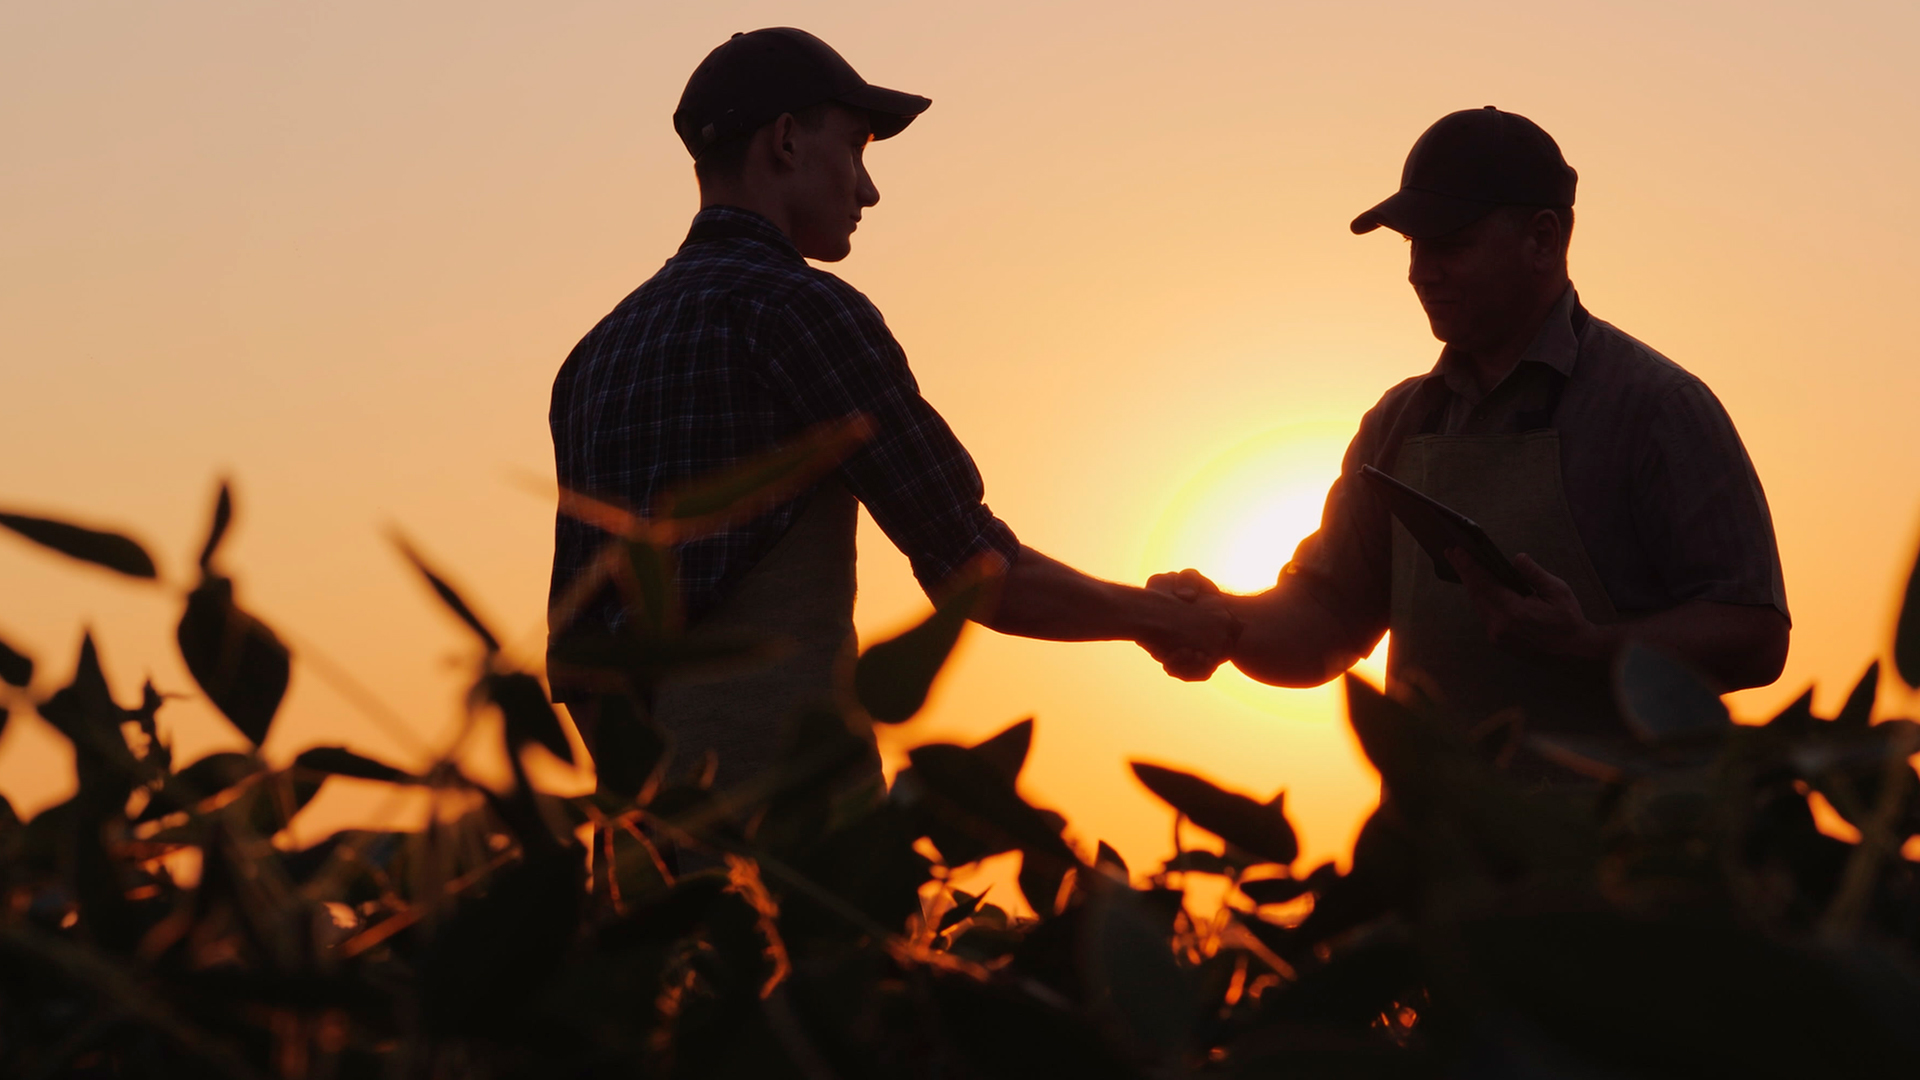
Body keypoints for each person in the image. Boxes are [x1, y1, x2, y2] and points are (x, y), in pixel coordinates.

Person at [548, 28, 1236, 792]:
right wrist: (1164, 619)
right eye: (856, 147)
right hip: (794, 840)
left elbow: (576, 655)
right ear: (784, 141)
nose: (868, 188)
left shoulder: (591, 358)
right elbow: (974, 567)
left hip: (643, 863)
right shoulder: (802, 313)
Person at [1150, 107, 1788, 766]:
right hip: (1438, 854)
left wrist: (1591, 645)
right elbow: (1325, 624)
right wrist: (1220, 622)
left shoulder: (1658, 409)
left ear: (1542, 239)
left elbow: (1757, 636)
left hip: (1619, 854)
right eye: (1412, 247)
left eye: (1448, 243)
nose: (1419, 272)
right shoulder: (1396, 423)